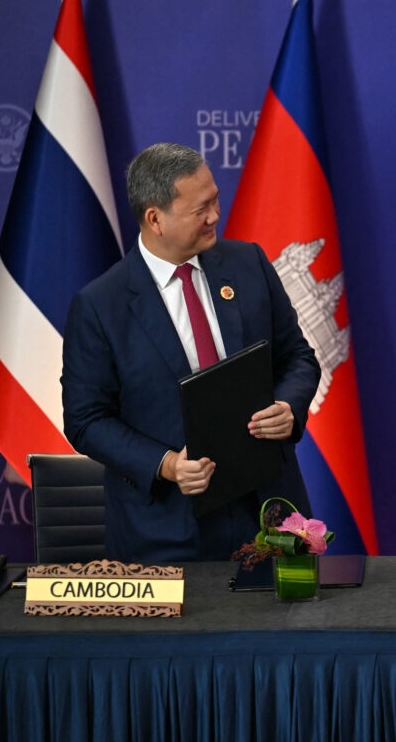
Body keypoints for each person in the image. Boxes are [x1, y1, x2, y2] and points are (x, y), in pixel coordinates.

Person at [62, 143, 320, 563]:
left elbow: (297, 357)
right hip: (168, 530)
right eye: (200, 209)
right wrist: (165, 464)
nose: (215, 216)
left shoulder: (248, 263)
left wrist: (289, 406)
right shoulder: (100, 306)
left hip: (270, 512)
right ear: (155, 219)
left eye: (215, 200)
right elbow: (86, 420)